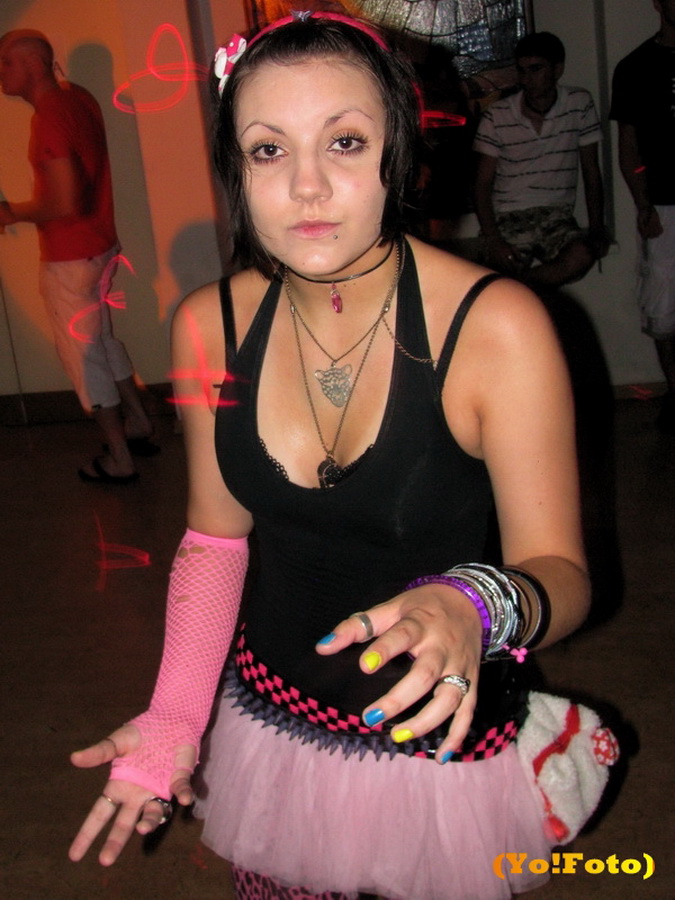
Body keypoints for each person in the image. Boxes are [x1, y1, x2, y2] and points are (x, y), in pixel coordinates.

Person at [67, 14, 591, 900]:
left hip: (438, 749)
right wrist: (175, 717)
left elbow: (564, 577)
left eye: (344, 142)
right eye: (268, 150)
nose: (306, 185)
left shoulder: (495, 327)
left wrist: (475, 602)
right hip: (276, 727)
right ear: (237, 172)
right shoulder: (208, 325)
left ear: (399, 154)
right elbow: (214, 541)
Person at [0, 30, 156, 482]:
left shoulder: (50, 117)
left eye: (6, 63)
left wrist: (12, 212)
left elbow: (65, 201)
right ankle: (139, 422)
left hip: (70, 257)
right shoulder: (80, 98)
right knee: (102, 340)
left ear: (33, 64)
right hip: (100, 246)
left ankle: (119, 458)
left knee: (83, 358)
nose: (0, 73)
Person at [473, 31, 610, 288]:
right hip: (509, 215)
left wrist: (596, 228)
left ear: (557, 69)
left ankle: (523, 289)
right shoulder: (497, 116)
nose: (527, 79)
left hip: (555, 216)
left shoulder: (578, 104)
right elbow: (482, 184)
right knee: (497, 270)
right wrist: (493, 238)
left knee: (581, 254)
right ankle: (519, 291)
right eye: (522, 71)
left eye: (536, 69)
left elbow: (591, 171)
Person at [610, 0, 675, 434]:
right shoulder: (635, 67)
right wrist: (643, 204)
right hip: (665, 206)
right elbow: (628, 146)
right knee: (664, 315)